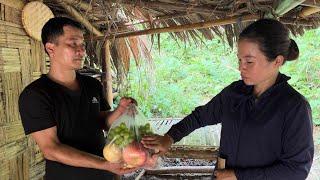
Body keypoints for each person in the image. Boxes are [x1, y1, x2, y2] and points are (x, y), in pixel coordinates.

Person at [142, 19, 314, 180]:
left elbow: (296, 170)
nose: (241, 67)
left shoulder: (294, 107)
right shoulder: (235, 93)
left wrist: (238, 175)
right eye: (239, 59)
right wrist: (170, 137)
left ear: (277, 61)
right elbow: (200, 116)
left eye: (249, 61)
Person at [18, 17, 139, 180]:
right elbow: (51, 149)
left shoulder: (92, 84)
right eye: (73, 44)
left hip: (106, 174)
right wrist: (103, 164)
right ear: (51, 48)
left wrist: (121, 109)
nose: (81, 51)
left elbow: (103, 122)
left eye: (82, 44)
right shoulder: (35, 95)